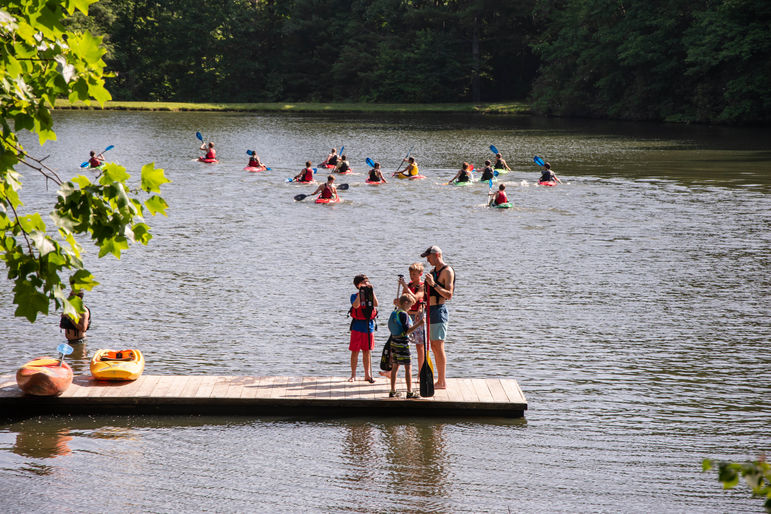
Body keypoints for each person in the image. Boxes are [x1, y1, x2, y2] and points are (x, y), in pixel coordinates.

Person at [421, 245, 454, 390]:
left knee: (439, 347)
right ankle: (438, 379)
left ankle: (442, 382)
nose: (428, 261)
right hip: (429, 310)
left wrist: (433, 284)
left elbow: (449, 295)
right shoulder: (432, 272)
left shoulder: (447, 271)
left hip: (439, 310)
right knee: (433, 346)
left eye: (429, 257)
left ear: (437, 255)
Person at [387, 294, 423, 398]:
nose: (411, 308)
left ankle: (393, 391)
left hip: (394, 341)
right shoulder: (404, 314)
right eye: (410, 306)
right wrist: (419, 323)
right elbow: (407, 331)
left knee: (395, 367)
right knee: (408, 367)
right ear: (405, 303)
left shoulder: (395, 312)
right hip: (402, 343)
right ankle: (409, 392)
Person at [349, 274, 379, 383]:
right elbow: (356, 306)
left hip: (368, 326)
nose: (366, 284)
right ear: (357, 285)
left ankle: (367, 374)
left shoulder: (370, 294)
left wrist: (371, 290)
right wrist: (360, 291)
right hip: (357, 326)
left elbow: (376, 304)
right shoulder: (354, 295)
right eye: (363, 282)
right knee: (355, 351)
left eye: (367, 282)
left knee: (367, 351)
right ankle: (353, 375)